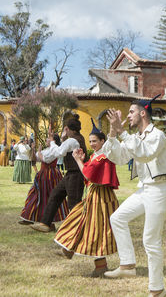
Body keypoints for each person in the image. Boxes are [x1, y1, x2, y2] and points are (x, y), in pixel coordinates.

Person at [102, 94, 166, 297]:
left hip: (159, 191)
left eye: (131, 112)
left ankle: (157, 290)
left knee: (150, 241)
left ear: (143, 113)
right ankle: (127, 265)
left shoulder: (157, 136)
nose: (128, 116)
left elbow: (144, 153)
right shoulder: (137, 137)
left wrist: (123, 132)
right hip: (145, 190)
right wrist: (113, 134)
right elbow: (119, 157)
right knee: (117, 218)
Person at [54, 119, 119, 277]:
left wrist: (78, 161)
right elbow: (89, 172)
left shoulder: (104, 155)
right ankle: (69, 248)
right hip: (94, 195)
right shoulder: (97, 155)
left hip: (101, 197)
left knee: (97, 229)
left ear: (103, 141)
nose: (92, 144)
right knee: (82, 219)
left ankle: (99, 265)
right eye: (90, 141)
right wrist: (83, 161)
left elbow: (88, 173)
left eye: (95, 141)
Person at [31, 114, 88, 233]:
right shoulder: (75, 138)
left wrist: (52, 141)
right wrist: (60, 140)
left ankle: (78, 229)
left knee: (74, 203)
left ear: (67, 129)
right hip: (70, 174)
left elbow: (59, 152)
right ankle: (46, 223)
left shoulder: (73, 140)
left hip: (76, 175)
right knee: (55, 195)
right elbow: (63, 149)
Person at [19, 134, 69, 225]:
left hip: (51, 175)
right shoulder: (45, 150)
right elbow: (35, 159)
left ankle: (49, 220)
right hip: (42, 174)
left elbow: (46, 160)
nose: (46, 140)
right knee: (35, 194)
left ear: (53, 141)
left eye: (48, 139)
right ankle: (30, 216)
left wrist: (39, 152)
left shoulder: (55, 150)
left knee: (50, 196)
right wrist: (33, 150)